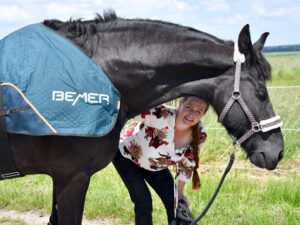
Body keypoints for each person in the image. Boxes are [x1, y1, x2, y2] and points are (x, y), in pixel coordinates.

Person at [112, 96, 208, 225]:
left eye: (198, 111)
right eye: (189, 107)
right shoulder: (160, 114)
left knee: (175, 202)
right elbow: (129, 108)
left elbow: (187, 164)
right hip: (126, 156)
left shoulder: (200, 133)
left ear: (203, 115)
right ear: (180, 104)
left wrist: (179, 192)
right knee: (143, 201)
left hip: (156, 165)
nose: (191, 114)